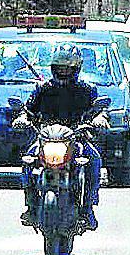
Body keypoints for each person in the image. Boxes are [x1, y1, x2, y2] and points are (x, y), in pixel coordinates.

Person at [13, 44, 103, 230]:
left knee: (94, 160)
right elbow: (29, 110)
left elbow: (97, 110)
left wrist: (100, 119)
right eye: (60, 66)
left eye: (68, 66)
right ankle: (31, 206)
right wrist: (22, 118)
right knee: (28, 161)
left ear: (76, 68)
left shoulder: (86, 89)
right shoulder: (43, 88)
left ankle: (87, 208)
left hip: (77, 138)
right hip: (47, 138)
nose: (63, 70)